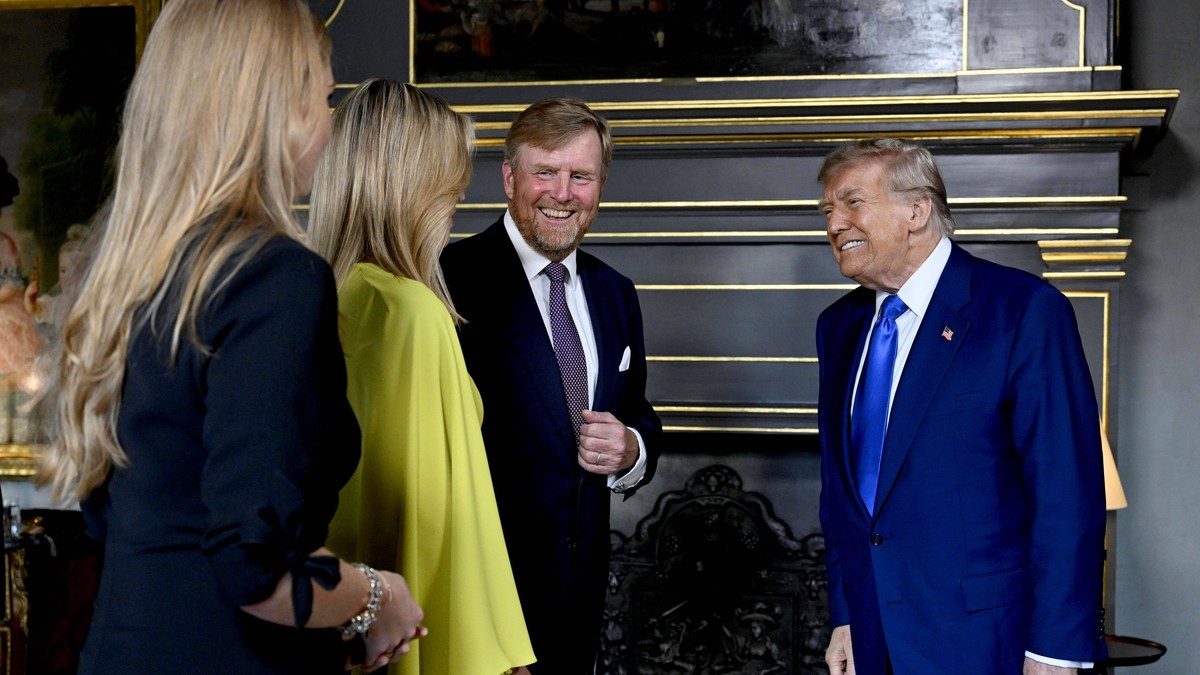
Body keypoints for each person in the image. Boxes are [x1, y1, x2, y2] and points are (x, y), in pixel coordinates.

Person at [35, 2, 425, 672]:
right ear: (276, 112)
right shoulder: (276, 276)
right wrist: (376, 596)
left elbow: (119, 517)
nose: (330, 122)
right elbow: (253, 564)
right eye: (325, 98)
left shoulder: (130, 274)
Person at [814, 138, 1107, 674]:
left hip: (985, 641)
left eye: (852, 202)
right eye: (827, 210)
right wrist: (847, 615)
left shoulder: (1024, 310)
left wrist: (1056, 649)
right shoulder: (838, 326)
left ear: (917, 211)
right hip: (871, 637)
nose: (834, 224)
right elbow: (840, 494)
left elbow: (1066, 493)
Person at [308, 79, 536, 675]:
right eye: (450, 179)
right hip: (418, 630)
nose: (460, 194)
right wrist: (501, 651)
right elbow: (445, 513)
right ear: (413, 183)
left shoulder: (329, 297)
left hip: (334, 617)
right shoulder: (411, 310)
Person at [441, 97, 662, 674]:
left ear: (600, 186)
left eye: (581, 176)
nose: (562, 193)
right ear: (509, 178)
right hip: (480, 602)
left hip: (579, 603)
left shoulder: (616, 292)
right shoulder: (445, 280)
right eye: (545, 172)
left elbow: (636, 411)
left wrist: (632, 448)